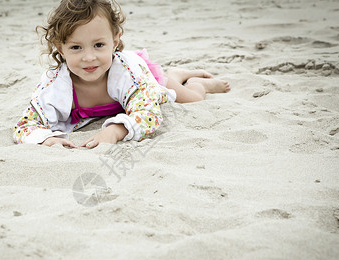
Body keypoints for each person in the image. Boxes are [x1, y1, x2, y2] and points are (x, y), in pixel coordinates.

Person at [13, 0, 230, 149]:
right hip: (135, 84)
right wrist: (47, 139)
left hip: (145, 78)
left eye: (99, 45)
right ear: (61, 49)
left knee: (192, 98)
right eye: (76, 48)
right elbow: (25, 125)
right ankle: (173, 73)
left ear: (114, 42)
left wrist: (116, 131)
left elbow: (148, 114)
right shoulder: (54, 85)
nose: (89, 57)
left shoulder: (129, 75)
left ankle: (194, 81)